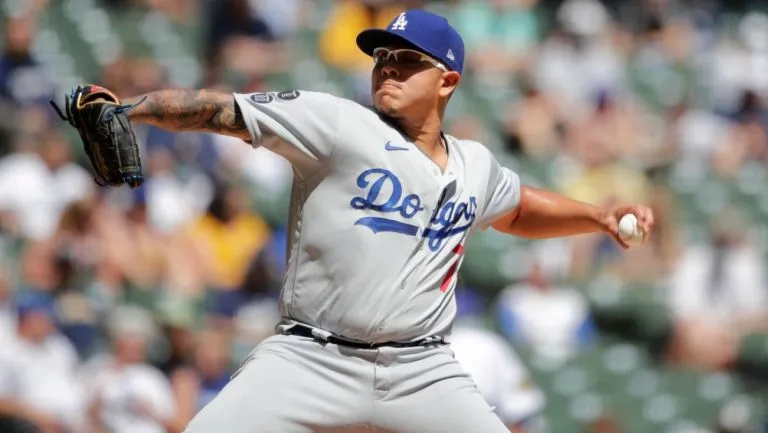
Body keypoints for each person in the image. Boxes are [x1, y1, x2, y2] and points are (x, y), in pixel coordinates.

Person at [85, 9, 654, 433]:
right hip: (310, 357)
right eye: (382, 57)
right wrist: (134, 109)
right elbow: (222, 111)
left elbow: (518, 208)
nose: (388, 68)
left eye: (407, 60)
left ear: (448, 81)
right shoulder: (337, 124)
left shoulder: (475, 164)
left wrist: (598, 215)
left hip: (422, 367)